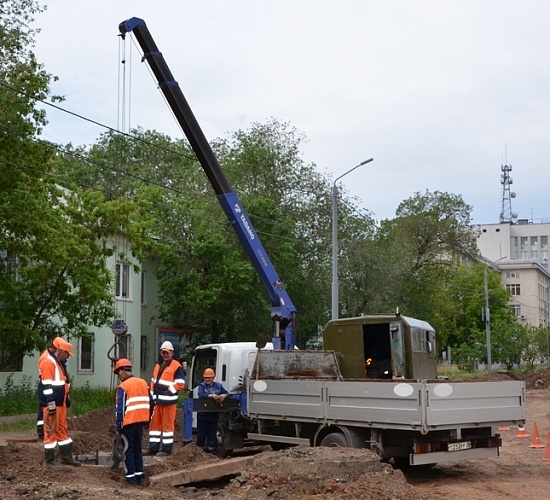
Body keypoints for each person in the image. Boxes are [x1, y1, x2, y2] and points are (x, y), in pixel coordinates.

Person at [38, 337, 81, 470]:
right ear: (61, 351)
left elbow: (61, 383)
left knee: (62, 430)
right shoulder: (48, 362)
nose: (68, 357)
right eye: (67, 354)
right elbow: (46, 386)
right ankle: (49, 461)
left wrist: (66, 398)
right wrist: (51, 404)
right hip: (53, 404)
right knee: (50, 433)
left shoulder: (57, 363)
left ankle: (66, 457)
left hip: (60, 403)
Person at [113, 358, 153, 486]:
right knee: (137, 449)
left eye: (118, 373)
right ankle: (140, 475)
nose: (119, 377)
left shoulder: (123, 386)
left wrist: (119, 425)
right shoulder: (143, 383)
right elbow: (152, 403)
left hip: (128, 422)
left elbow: (121, 408)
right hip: (141, 421)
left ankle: (131, 478)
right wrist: (148, 420)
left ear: (123, 371)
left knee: (128, 449)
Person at [147, 341, 185, 456]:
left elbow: (180, 384)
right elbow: (154, 381)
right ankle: (153, 448)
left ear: (172, 353)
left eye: (167, 352)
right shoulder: (158, 365)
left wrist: (168, 392)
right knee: (155, 426)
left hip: (169, 402)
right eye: (163, 352)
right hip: (158, 401)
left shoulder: (176, 366)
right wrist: (152, 394)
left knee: (168, 427)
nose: (165, 355)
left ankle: (166, 450)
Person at [197, 368, 229, 454]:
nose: (208, 379)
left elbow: (227, 393)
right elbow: (201, 395)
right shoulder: (202, 386)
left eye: (209, 377)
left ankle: (212, 450)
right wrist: (211, 396)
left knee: (212, 433)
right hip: (203, 414)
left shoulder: (218, 386)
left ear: (213, 377)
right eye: (206, 378)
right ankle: (200, 450)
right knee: (201, 433)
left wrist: (224, 395)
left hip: (213, 415)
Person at [36, 337, 61, 441]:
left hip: (46, 385)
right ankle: (42, 434)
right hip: (45, 386)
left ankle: (44, 432)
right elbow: (47, 378)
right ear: (55, 348)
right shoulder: (46, 358)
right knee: (44, 410)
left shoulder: (50, 357)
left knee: (44, 410)